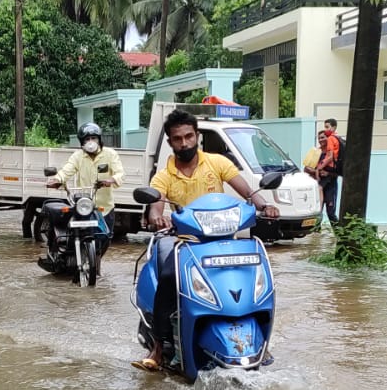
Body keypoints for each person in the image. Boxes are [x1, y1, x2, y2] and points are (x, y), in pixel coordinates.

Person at [135, 108, 280, 372]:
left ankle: (261, 340)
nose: (184, 143)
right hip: (185, 242)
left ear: (197, 136)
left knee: (254, 276)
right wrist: (157, 218)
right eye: (178, 139)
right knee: (168, 277)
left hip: (223, 239)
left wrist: (263, 205)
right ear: (170, 142)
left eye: (189, 136)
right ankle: (157, 346)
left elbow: (248, 192)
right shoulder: (164, 175)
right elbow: (156, 205)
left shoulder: (217, 163)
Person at [44, 122, 124, 269]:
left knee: (105, 238)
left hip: (104, 207)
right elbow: (67, 170)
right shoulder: (78, 156)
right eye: (87, 139)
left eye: (93, 138)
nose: (90, 142)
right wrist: (57, 180)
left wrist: (111, 180)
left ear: (99, 139)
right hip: (84, 205)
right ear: (82, 142)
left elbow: (120, 173)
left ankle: (96, 264)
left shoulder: (110, 154)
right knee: (75, 232)